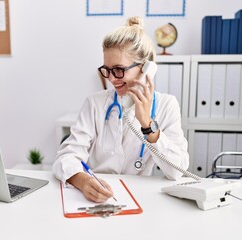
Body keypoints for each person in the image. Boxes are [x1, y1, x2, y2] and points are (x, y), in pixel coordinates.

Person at [52, 16, 189, 203]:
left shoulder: (167, 105)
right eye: (107, 70)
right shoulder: (95, 103)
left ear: (146, 68)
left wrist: (147, 124)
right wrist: (82, 180)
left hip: (139, 198)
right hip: (95, 199)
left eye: (119, 69)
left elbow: (177, 171)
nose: (112, 79)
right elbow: (66, 156)